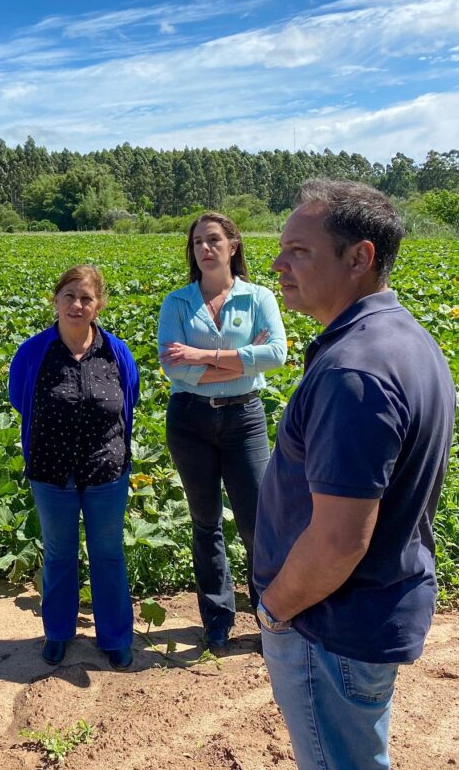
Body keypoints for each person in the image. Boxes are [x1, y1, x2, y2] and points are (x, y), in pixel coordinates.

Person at [254, 180, 456, 769]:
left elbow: (340, 540)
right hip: (363, 615)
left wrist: (275, 609)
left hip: (328, 627)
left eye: (300, 250)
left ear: (360, 257)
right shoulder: (404, 339)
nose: (277, 263)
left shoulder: (356, 371)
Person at [157, 213, 286, 648]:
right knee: (205, 521)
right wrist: (236, 361)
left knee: (256, 522)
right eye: (197, 242)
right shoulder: (177, 302)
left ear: (233, 245)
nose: (205, 249)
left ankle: (269, 613)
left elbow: (277, 355)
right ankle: (217, 617)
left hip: (243, 419)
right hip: (189, 420)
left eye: (213, 240)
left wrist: (200, 355)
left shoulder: (258, 297)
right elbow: (172, 366)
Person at [9, 265, 140, 670]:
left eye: (86, 298)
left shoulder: (116, 352)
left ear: (98, 305)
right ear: (56, 300)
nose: (76, 305)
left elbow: (128, 400)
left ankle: (115, 636)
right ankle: (58, 633)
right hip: (51, 472)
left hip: (105, 471)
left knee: (108, 554)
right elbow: (20, 398)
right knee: (59, 554)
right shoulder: (34, 352)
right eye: (69, 296)